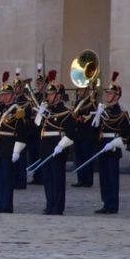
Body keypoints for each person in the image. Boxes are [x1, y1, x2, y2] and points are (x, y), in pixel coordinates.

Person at [35, 72, 75, 215]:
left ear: (58, 95)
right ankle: (49, 203)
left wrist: (61, 146)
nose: (49, 96)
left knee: (57, 180)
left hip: (58, 148)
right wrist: (40, 113)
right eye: (49, 94)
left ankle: (58, 206)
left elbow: (70, 134)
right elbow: (37, 128)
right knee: (47, 179)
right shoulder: (47, 111)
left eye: (51, 94)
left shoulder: (65, 112)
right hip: (45, 147)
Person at [0, 76, 27, 213]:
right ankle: (0, 203)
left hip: (9, 147)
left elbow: (21, 131)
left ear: (11, 95)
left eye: (5, 95)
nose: (3, 97)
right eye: (2, 95)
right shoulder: (1, 110)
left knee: (6, 178)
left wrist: (17, 150)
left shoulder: (17, 110)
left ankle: (6, 205)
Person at [96, 72, 130, 214]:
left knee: (112, 178)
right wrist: (97, 116)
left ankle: (113, 204)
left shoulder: (121, 113)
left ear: (117, 96)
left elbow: (126, 135)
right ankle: (106, 203)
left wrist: (113, 144)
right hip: (103, 144)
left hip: (113, 146)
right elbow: (97, 129)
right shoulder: (105, 110)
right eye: (107, 93)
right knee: (103, 177)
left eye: (110, 94)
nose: (108, 96)